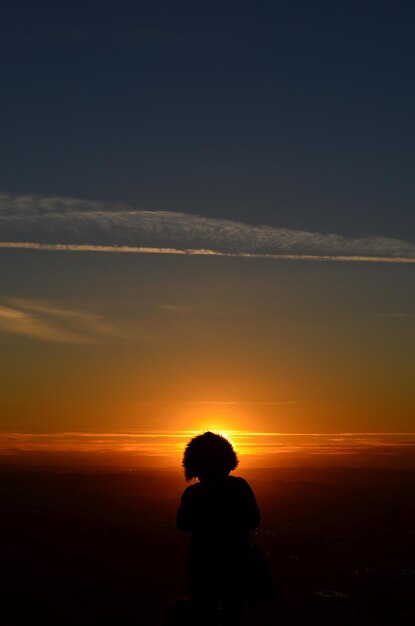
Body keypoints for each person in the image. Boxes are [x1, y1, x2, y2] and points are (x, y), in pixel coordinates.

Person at [177, 431, 261, 626]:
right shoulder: (240, 487)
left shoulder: (194, 493)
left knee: (204, 613)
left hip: (203, 566)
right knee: (233, 614)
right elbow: (254, 520)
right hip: (236, 563)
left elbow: (182, 525)